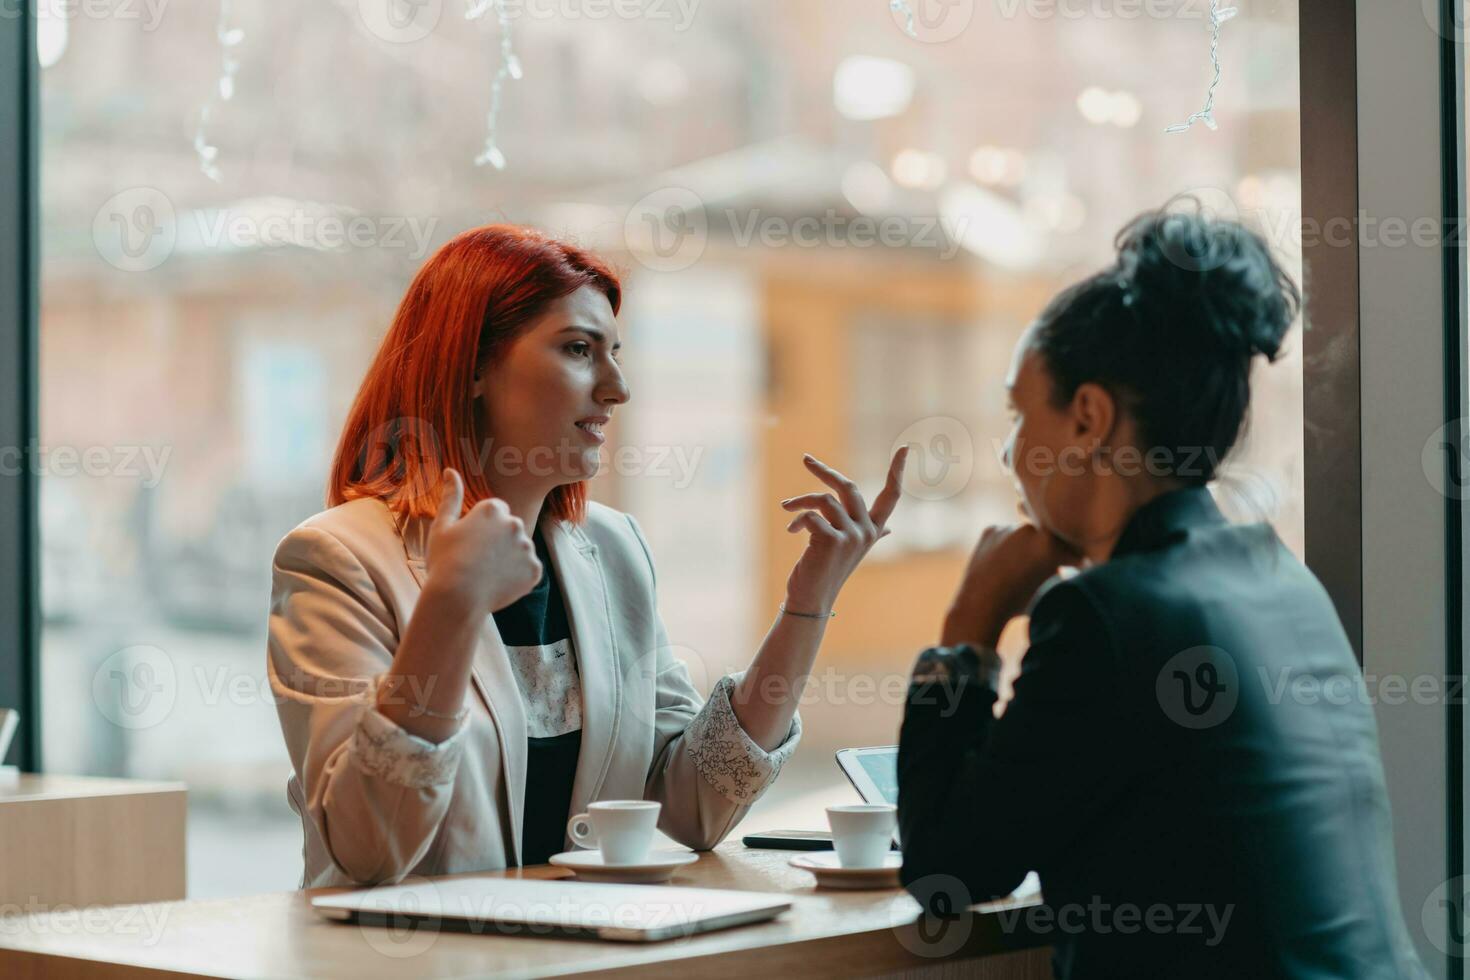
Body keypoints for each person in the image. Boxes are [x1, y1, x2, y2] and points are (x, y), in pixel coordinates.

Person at [268, 225, 907, 887]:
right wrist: (450, 607)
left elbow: (689, 809)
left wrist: (808, 606)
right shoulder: (336, 559)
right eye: (579, 349)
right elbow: (370, 848)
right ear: (473, 366)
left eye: (616, 354)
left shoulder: (614, 550)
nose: (617, 388)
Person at [896, 204, 1427, 979]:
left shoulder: (1108, 617)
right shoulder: (1283, 582)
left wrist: (967, 628)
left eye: (1019, 414)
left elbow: (948, 870)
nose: (1010, 454)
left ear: (1088, 420)